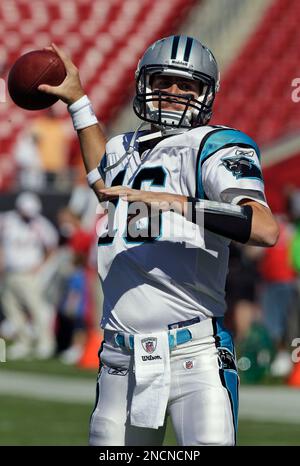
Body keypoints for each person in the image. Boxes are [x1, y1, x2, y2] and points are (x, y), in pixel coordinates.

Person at [38, 36, 279, 446]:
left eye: (188, 86)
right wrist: (78, 102)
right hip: (119, 359)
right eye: (164, 81)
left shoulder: (214, 145)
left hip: (194, 357)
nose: (174, 92)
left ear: (207, 95)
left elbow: (264, 228)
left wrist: (179, 203)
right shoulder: (124, 146)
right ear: (143, 83)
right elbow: (106, 184)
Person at [0, 192, 58, 359]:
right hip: (10, 272)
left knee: (37, 308)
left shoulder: (40, 224)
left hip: (29, 274)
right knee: (11, 309)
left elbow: (51, 247)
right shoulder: (7, 221)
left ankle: (45, 343)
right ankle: (23, 341)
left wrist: (40, 267)